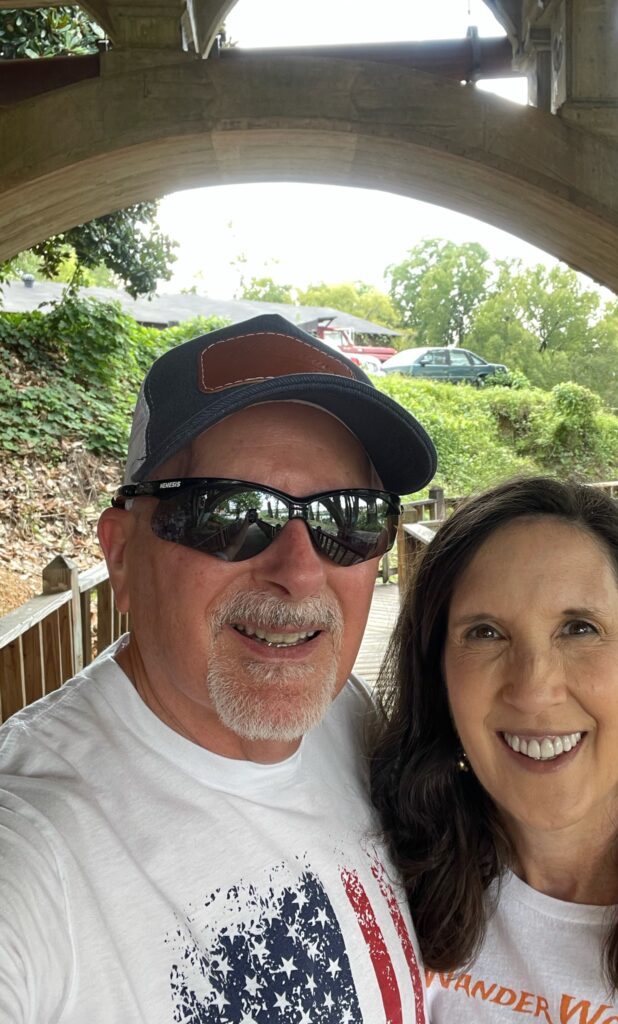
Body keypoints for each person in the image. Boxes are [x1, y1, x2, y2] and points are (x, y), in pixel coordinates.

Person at [0, 313, 436, 1023]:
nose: (299, 573)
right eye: (231, 513)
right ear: (121, 555)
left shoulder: (348, 717)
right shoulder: (32, 850)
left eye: (345, 519)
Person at [370, 476, 618, 1024]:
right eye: (485, 633)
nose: (534, 691)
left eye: (579, 628)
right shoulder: (383, 895)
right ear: (439, 675)